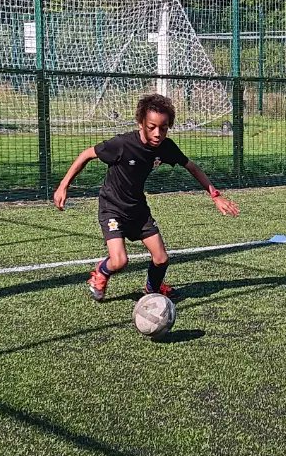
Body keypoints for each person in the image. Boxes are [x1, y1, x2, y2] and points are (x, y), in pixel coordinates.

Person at [53, 93, 239, 302]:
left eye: (164, 128)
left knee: (161, 259)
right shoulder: (122, 144)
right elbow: (86, 154)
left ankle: (152, 288)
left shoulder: (166, 147)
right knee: (120, 261)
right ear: (141, 123)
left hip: (138, 210)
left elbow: (192, 167)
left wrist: (215, 195)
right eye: (152, 127)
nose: (158, 133)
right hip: (112, 207)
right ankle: (101, 272)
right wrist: (63, 186)